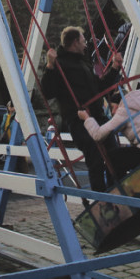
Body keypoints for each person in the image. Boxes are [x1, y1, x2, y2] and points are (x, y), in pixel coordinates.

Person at [41, 26, 110, 192]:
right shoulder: (60, 65)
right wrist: (50, 65)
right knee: (94, 156)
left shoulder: (83, 63)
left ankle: (118, 189)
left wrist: (114, 68)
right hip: (78, 120)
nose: (86, 44)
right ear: (74, 43)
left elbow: (99, 87)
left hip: (97, 117)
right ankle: (101, 198)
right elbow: (47, 92)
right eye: (83, 41)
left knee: (112, 149)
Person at [79, 89, 140, 180]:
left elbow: (98, 135)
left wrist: (87, 118)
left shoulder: (124, 110)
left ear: (120, 104)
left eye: (112, 107)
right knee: (127, 155)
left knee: (112, 157)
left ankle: (116, 192)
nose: (113, 112)